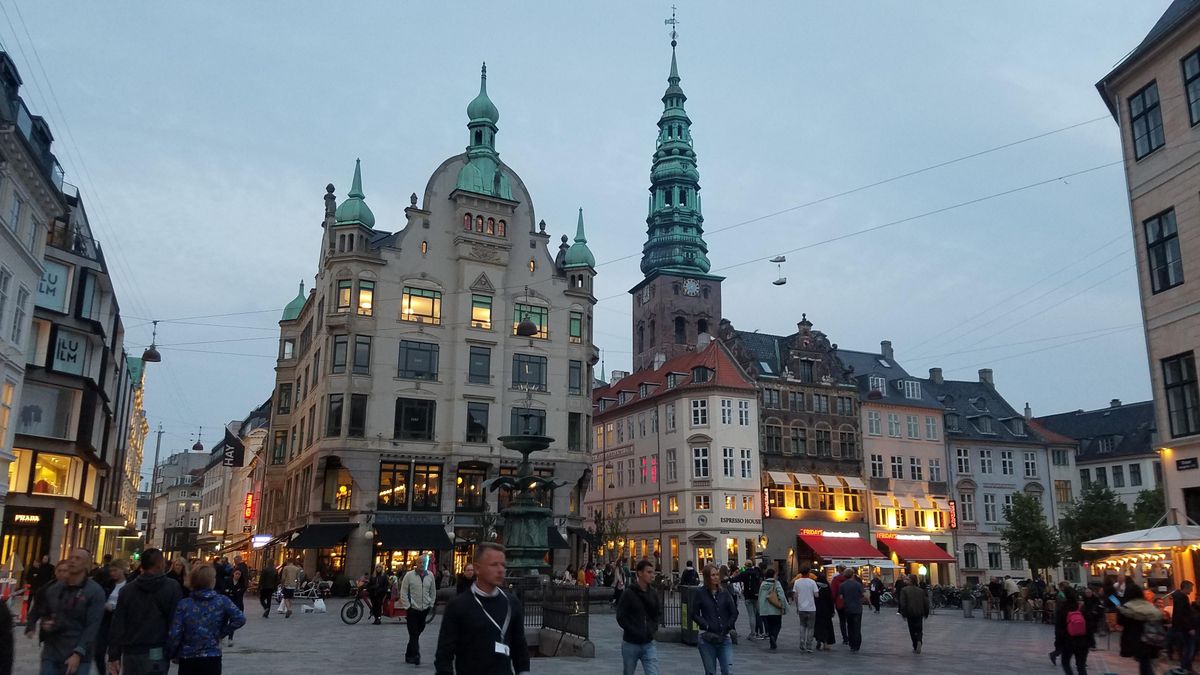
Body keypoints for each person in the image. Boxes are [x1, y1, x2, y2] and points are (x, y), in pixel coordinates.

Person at [434, 542, 530, 675]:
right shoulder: (458, 605)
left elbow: (520, 646)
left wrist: (524, 671)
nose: (500, 570)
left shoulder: (512, 603)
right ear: (478, 569)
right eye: (494, 564)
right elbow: (444, 654)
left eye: (503, 565)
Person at [25, 548, 106, 675]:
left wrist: (78, 653)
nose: (72, 561)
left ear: (86, 564)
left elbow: (92, 626)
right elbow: (41, 610)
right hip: (52, 652)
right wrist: (42, 624)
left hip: (78, 654)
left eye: (78, 559)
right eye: (70, 558)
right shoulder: (54, 589)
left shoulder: (95, 591)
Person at [106, 548, 183, 675]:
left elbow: (118, 624)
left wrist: (114, 655)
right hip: (157, 649)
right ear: (160, 564)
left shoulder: (127, 590)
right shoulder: (171, 587)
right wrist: (175, 650)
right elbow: (175, 622)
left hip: (131, 652)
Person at [167, 564, 245, 675]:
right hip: (212, 655)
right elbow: (240, 618)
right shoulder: (222, 601)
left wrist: (171, 652)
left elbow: (175, 632)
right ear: (211, 581)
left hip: (188, 656)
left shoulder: (184, 604)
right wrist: (222, 632)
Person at [691, 564, 737, 675]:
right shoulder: (700, 593)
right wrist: (705, 625)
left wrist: (728, 626)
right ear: (707, 577)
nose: (716, 577)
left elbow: (734, 612)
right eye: (713, 575)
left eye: (717, 574)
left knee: (727, 670)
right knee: (710, 672)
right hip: (707, 639)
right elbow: (694, 614)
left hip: (724, 637)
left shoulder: (724, 593)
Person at [616, 559, 660, 675]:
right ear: (640, 573)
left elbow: (657, 614)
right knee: (628, 672)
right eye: (649, 572)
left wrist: (652, 628)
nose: (652, 575)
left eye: (653, 573)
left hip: (648, 643)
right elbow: (621, 616)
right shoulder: (629, 593)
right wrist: (633, 630)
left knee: (653, 672)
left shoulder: (653, 593)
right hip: (631, 643)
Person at [1118, 582, 1164, 675]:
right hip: (1153, 639)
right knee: (1146, 664)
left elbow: (1120, 621)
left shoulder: (1128, 606)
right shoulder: (1148, 605)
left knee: (1145, 664)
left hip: (1138, 640)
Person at [400, 555, 437, 666]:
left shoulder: (430, 575)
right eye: (420, 562)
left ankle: (408, 654)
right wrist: (407, 606)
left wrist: (431, 603)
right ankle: (416, 655)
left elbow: (433, 591)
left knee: (417, 632)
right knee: (414, 632)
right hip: (413, 609)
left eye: (424, 562)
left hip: (424, 609)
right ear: (416, 563)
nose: (422, 564)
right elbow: (404, 592)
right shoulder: (409, 575)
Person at [93, 558, 127, 674]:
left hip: (120, 622)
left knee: (115, 654)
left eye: (115, 570)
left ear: (122, 570)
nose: (112, 573)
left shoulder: (129, 585)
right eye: (111, 571)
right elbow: (99, 598)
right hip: (106, 620)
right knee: (98, 652)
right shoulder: (107, 583)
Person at [1055, 587, 1091, 675]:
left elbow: (1058, 628)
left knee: (1065, 663)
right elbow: (1089, 625)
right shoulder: (1081, 608)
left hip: (1068, 641)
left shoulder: (1062, 609)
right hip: (1083, 641)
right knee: (1081, 666)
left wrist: (1058, 645)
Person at [756, 568, 788, 650]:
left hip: (765, 610)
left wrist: (759, 608)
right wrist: (783, 606)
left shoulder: (763, 584)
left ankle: (771, 637)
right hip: (775, 608)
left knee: (769, 625)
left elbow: (760, 597)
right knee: (777, 624)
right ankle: (774, 636)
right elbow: (781, 595)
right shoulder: (776, 583)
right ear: (774, 575)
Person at [1168, 580, 1196, 674]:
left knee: (1185, 649)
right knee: (1188, 649)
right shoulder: (1182, 598)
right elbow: (1183, 615)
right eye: (1191, 588)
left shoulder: (1178, 597)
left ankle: (1186, 668)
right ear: (1186, 587)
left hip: (1179, 627)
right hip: (1184, 628)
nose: (1192, 590)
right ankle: (1185, 668)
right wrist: (1190, 628)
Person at [897, 573, 929, 654]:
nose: (905, 580)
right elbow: (926, 602)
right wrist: (926, 613)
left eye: (907, 579)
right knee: (919, 629)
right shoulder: (920, 590)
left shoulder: (904, 590)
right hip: (919, 612)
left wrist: (903, 613)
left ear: (911, 580)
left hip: (910, 612)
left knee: (912, 630)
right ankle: (919, 641)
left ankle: (915, 645)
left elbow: (903, 603)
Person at [730, 561, 763, 640]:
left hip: (748, 596)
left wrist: (724, 580)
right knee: (755, 614)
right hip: (756, 595)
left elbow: (734, 579)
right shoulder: (756, 572)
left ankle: (753, 633)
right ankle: (758, 632)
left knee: (751, 615)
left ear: (745, 566)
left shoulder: (744, 573)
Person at [792, 567, 818, 653]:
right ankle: (809, 645)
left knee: (802, 625)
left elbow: (795, 596)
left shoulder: (797, 582)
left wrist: (797, 606)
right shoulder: (812, 582)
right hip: (811, 608)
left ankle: (802, 640)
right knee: (811, 627)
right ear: (809, 573)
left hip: (801, 607)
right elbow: (816, 595)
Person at [838, 569, 864, 652]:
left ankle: (852, 644)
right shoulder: (858, 584)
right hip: (857, 608)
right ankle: (857, 644)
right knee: (857, 627)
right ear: (853, 575)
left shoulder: (842, 585)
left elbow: (841, 597)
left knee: (850, 626)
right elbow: (862, 595)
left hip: (848, 608)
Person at [830, 565, 847, 644]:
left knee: (842, 621)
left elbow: (833, 593)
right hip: (849, 603)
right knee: (850, 621)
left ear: (839, 570)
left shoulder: (836, 580)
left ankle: (845, 638)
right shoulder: (850, 579)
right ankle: (852, 636)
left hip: (840, 603)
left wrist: (832, 604)